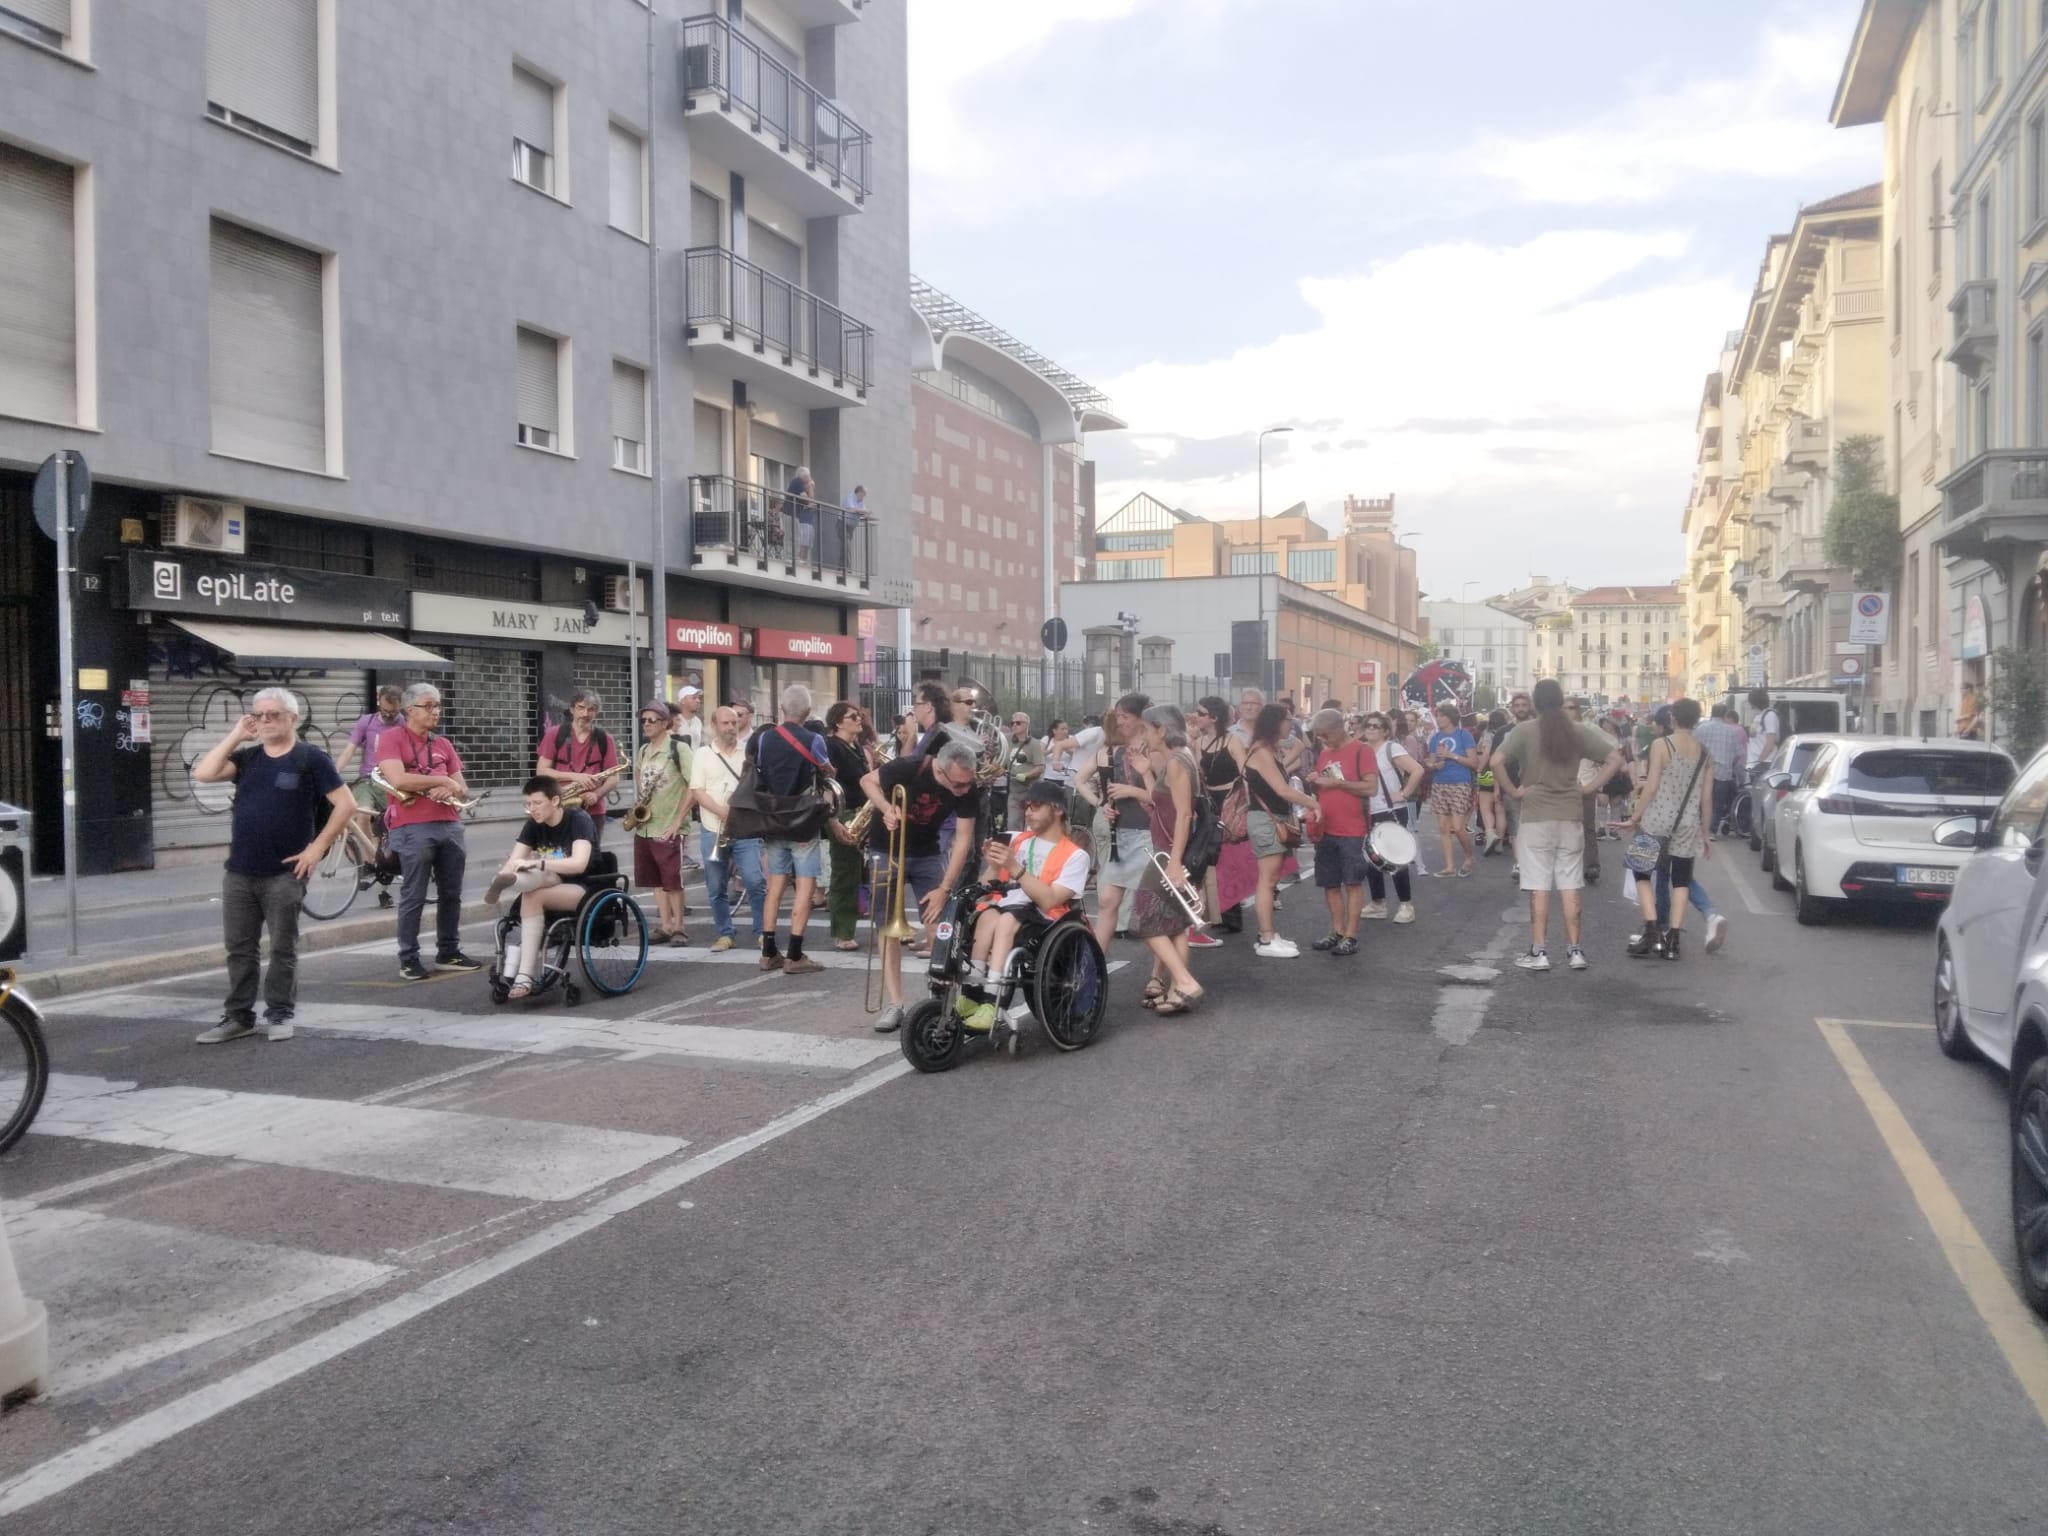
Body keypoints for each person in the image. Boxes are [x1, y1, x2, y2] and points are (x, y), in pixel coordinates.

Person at [190, 688, 355, 1043]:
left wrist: (316, 849)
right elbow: (203, 773)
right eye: (258, 715)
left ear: (292, 718)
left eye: (273, 714)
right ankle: (239, 1018)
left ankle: (280, 1014)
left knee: (282, 947)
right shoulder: (248, 758)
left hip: (285, 873)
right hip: (240, 871)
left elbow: (346, 805)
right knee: (239, 949)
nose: (265, 720)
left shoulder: (311, 759)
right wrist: (237, 734)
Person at [1493, 678, 1622, 974]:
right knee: (1570, 883)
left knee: (1538, 886)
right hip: (1570, 814)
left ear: (1536, 703)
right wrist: (1589, 788)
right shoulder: (1577, 730)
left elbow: (1496, 760)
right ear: (1561, 701)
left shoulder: (1524, 730)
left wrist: (1513, 791)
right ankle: (1575, 951)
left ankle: (1539, 951)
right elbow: (1615, 759)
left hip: (1536, 814)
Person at [861, 739, 984, 1033]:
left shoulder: (968, 784)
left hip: (927, 853)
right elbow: (867, 780)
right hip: (886, 849)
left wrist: (944, 889)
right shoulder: (910, 766)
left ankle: (940, 999)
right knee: (888, 927)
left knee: (940, 925)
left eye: (968, 784)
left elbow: (963, 841)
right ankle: (895, 1003)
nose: (963, 790)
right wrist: (886, 808)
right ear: (940, 771)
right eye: (958, 784)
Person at [954, 780, 1091, 1034]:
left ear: (1057, 809)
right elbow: (986, 886)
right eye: (1026, 807)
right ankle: (971, 994)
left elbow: (1050, 900)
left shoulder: (1076, 855)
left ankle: (992, 1000)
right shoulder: (1016, 839)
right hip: (1007, 906)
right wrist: (993, 865)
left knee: (1006, 919)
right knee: (986, 917)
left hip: (1044, 916)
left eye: (1035, 806)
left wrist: (1015, 868)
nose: (1028, 812)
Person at [377, 682, 480, 981]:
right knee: (414, 894)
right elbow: (398, 779)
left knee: (452, 893)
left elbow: (462, 787)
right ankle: (409, 958)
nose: (435, 711)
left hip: (449, 823)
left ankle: (449, 951)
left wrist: (450, 787)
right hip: (412, 825)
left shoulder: (443, 743)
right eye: (428, 706)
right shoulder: (391, 738)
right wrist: (441, 781)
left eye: (437, 706)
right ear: (409, 709)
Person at [484, 776, 597, 999]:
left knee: (533, 891)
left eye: (537, 803)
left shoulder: (578, 819)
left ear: (555, 801)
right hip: (549, 880)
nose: (532, 809)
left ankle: (524, 975)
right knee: (529, 878)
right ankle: (509, 881)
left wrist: (538, 863)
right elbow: (514, 860)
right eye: (528, 804)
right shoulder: (533, 825)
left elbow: (579, 864)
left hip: (582, 886)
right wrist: (505, 873)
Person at [1621, 697, 1714, 960]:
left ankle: (1652, 932)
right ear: (1695, 720)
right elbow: (1707, 798)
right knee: (1681, 880)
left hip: (1656, 820)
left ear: (1673, 718)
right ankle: (1673, 941)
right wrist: (1705, 833)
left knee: (1641, 873)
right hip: (1688, 824)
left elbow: (1651, 787)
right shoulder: (1705, 753)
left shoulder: (1661, 745)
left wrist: (1634, 817)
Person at [1130, 704, 1205, 1014]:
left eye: (1147, 729)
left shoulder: (1176, 761)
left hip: (1171, 852)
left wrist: (1174, 862)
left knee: (1143, 917)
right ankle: (1177, 991)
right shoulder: (1180, 757)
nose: (1144, 736)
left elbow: (1185, 814)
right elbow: (1164, 804)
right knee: (1174, 924)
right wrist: (1145, 772)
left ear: (1161, 730)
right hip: (1173, 849)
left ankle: (1184, 981)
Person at [751, 683, 831, 975]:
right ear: (808, 711)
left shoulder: (764, 739)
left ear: (781, 709)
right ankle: (795, 954)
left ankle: (768, 951)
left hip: (773, 819)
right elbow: (826, 770)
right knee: (805, 886)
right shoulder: (814, 740)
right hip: (803, 821)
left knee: (775, 886)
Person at [1077, 693, 1156, 956]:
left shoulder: (1156, 752)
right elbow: (1103, 792)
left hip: (1149, 836)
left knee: (1153, 911)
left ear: (1141, 718)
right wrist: (1105, 807)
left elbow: (1167, 799)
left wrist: (1133, 791)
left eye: (1125, 716)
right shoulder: (1116, 752)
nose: (1119, 721)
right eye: (1118, 716)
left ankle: (1164, 971)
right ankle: (1096, 964)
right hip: (1119, 834)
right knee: (1107, 902)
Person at [1243, 701, 1319, 958]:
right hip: (1266, 820)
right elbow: (1282, 790)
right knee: (1267, 881)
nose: (1291, 724)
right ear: (1275, 722)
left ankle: (1269, 934)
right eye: (1287, 719)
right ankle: (1266, 938)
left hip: (1273, 818)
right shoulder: (1262, 751)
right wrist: (1313, 803)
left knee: (1271, 880)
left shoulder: (1269, 748)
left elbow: (1299, 745)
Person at [687, 705, 759, 953]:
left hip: (745, 829)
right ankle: (725, 933)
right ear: (714, 726)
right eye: (725, 723)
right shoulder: (703, 754)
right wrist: (721, 811)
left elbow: (755, 787)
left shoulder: (747, 753)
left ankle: (763, 932)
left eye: (734, 723)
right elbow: (697, 790)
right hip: (713, 828)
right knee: (716, 886)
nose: (730, 727)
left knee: (755, 881)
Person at [1306, 708, 1377, 956]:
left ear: (1339, 728)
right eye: (1318, 735)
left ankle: (1350, 935)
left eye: (1325, 734)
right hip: (1326, 827)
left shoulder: (1362, 751)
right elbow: (1323, 788)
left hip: (1352, 829)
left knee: (1352, 882)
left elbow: (1371, 788)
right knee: (1330, 883)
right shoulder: (1325, 753)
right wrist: (1315, 782)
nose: (1322, 739)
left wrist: (1337, 783)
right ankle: (1336, 931)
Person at [630, 700, 692, 947]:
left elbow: (693, 786)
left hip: (669, 825)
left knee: (672, 880)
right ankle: (665, 925)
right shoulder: (644, 750)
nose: (646, 724)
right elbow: (638, 775)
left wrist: (678, 821)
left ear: (665, 723)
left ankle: (679, 927)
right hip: (646, 825)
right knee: (655, 879)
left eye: (651, 720)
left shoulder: (679, 749)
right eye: (644, 720)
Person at [1191, 695, 1253, 936]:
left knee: (1228, 857)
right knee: (1211, 858)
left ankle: (1232, 915)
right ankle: (1218, 912)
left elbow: (1246, 774)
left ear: (1214, 717)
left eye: (1201, 713)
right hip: (1209, 803)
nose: (1196, 716)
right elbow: (1199, 774)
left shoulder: (1232, 741)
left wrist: (1247, 805)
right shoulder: (1199, 742)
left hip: (1231, 800)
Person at [1358, 711, 1423, 922]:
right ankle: (1378, 903)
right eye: (1368, 725)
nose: (1371, 728)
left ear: (1385, 731)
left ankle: (1406, 905)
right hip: (1368, 811)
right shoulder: (1361, 749)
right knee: (1371, 858)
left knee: (1395, 858)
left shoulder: (1391, 748)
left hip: (1390, 810)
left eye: (1376, 726)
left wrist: (1403, 793)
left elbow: (1417, 770)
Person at [537, 689, 622, 848]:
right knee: (557, 854)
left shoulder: (605, 739)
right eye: (581, 708)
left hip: (593, 812)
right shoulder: (554, 734)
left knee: (590, 856)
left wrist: (597, 794)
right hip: (558, 808)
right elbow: (542, 771)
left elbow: (614, 777)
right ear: (572, 709)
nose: (585, 713)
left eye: (591, 709)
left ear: (596, 712)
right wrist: (575, 777)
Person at [823, 700, 872, 953]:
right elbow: (826, 786)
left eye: (859, 715)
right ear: (838, 722)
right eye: (853, 716)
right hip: (844, 815)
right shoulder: (832, 746)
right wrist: (833, 820)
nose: (859, 719)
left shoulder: (857, 747)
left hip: (862, 813)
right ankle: (842, 932)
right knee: (845, 874)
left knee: (860, 874)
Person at [1425, 703, 1481, 877]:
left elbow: (1474, 762)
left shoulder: (1464, 735)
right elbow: (1430, 762)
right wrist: (1433, 765)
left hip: (1460, 782)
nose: (1438, 719)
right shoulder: (1435, 738)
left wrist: (1452, 756)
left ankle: (1469, 857)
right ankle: (1449, 867)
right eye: (1437, 715)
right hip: (1440, 782)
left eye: (1442, 715)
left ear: (1450, 718)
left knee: (1457, 827)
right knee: (1443, 827)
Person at [1695, 703, 1745, 835]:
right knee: (1717, 804)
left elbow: (1694, 747)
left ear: (1712, 713)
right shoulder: (1731, 732)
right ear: (1725, 714)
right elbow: (1739, 754)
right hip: (1723, 773)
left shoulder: (1701, 729)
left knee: (1701, 800)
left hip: (1703, 771)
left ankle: (1699, 827)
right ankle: (1711, 831)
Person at [335, 683, 403, 780]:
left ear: (400, 706)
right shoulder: (367, 721)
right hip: (369, 778)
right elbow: (348, 751)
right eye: (385, 710)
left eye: (393, 712)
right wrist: (335, 774)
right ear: (379, 703)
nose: (388, 715)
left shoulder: (406, 724)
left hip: (395, 779)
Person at [1003, 710, 1046, 833]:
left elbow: (1040, 767)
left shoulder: (1034, 744)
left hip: (1031, 790)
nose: (1014, 725)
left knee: (1031, 825)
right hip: (1014, 790)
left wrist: (1026, 775)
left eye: (1018, 723)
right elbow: (1000, 759)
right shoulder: (1006, 740)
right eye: (1012, 723)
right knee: (1012, 825)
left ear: (1027, 725)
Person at [1475, 708, 1508, 855]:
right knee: (1500, 808)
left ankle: (1490, 834)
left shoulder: (1488, 734)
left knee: (1485, 806)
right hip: (1505, 771)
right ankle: (1500, 841)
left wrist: (1479, 769)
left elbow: (1486, 753)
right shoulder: (1507, 733)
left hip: (1488, 771)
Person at [1746, 687, 1780, 772]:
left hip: (1764, 763)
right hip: (1754, 763)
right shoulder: (1759, 716)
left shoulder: (1770, 716)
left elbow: (1770, 743)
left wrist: (1759, 761)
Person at [787, 465, 817, 562]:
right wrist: (810, 487)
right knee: (795, 538)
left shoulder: (799, 484)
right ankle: (792, 559)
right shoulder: (798, 481)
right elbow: (810, 501)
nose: (810, 478)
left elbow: (810, 501)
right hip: (791, 513)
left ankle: (796, 559)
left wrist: (810, 488)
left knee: (797, 538)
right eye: (809, 476)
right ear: (805, 476)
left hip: (794, 514)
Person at [672, 684, 705, 749]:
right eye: (694, 698)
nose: (698, 701)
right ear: (683, 701)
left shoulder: (698, 721)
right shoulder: (674, 720)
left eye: (698, 698)